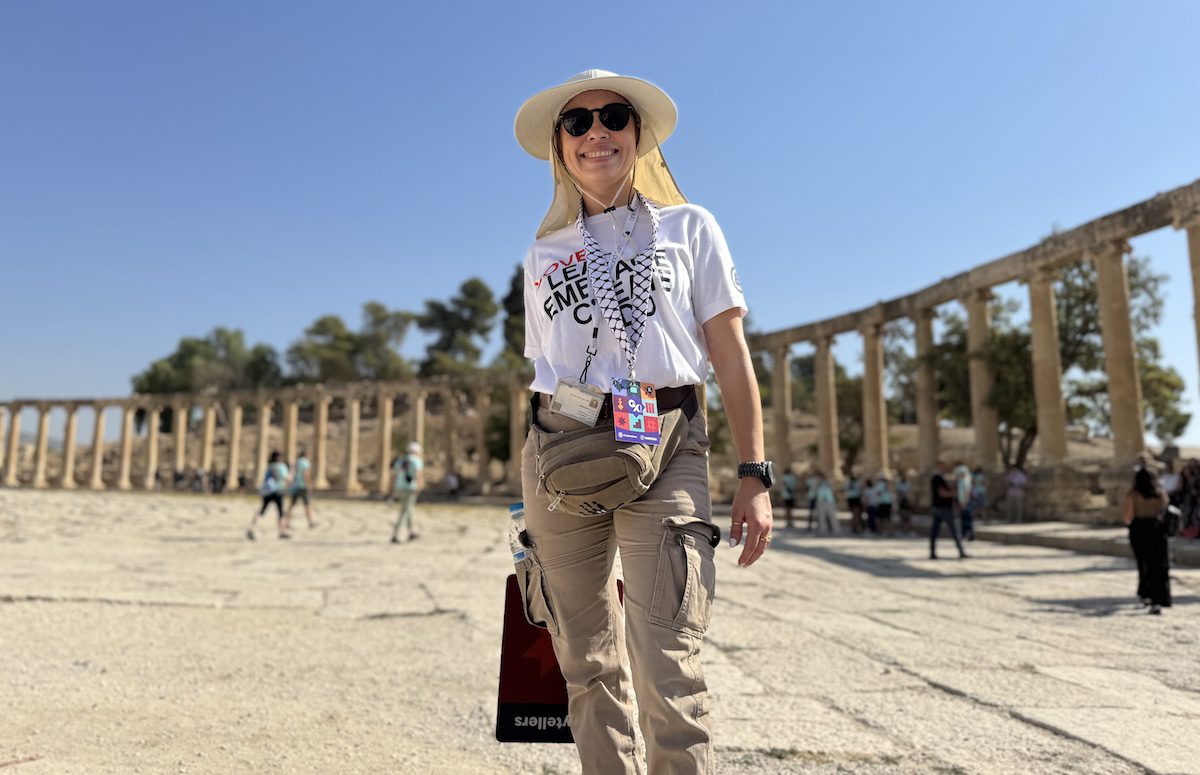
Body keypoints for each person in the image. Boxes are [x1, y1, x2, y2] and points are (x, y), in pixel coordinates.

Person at [514, 69, 772, 773]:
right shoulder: (543, 253)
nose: (596, 132)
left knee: (668, 654)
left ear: (639, 134)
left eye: (614, 116)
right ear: (560, 147)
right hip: (562, 449)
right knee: (583, 659)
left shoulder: (691, 226)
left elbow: (729, 352)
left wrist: (755, 472)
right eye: (577, 122)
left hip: (665, 435)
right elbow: (545, 373)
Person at [1123, 467, 1171, 614]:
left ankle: (1145, 594)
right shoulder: (1160, 493)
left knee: (1143, 563)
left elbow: (1128, 515)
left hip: (1140, 529)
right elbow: (1165, 509)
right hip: (1157, 529)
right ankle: (1159, 599)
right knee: (1159, 565)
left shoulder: (1133, 495)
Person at [247, 451, 289, 540]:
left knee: (261, 511)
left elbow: (266, 479)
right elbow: (287, 478)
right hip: (278, 491)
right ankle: (282, 531)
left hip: (268, 491)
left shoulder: (270, 467)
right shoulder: (281, 466)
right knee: (281, 512)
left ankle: (251, 528)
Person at [930, 461, 968, 560]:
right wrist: (954, 493)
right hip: (943, 508)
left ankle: (932, 552)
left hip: (940, 507)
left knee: (935, 531)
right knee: (954, 530)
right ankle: (961, 551)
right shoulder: (937, 478)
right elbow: (942, 493)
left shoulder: (941, 478)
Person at [389, 442, 424, 544]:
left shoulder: (400, 461)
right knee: (405, 511)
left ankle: (411, 532)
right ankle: (395, 534)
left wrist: (391, 490)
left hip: (399, 487)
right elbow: (418, 475)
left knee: (409, 509)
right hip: (410, 488)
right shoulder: (416, 461)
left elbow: (393, 476)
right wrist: (419, 487)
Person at [283, 448, 316, 532]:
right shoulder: (306, 462)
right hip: (303, 486)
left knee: (292, 505)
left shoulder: (297, 462)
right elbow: (306, 474)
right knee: (307, 504)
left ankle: (286, 522)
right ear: (307, 454)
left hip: (295, 486)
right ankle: (311, 522)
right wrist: (309, 484)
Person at [954, 463, 974, 540]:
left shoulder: (965, 481)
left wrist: (964, 503)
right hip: (962, 502)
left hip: (965, 502)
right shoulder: (961, 481)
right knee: (964, 519)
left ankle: (970, 534)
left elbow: (967, 493)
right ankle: (965, 534)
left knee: (967, 519)